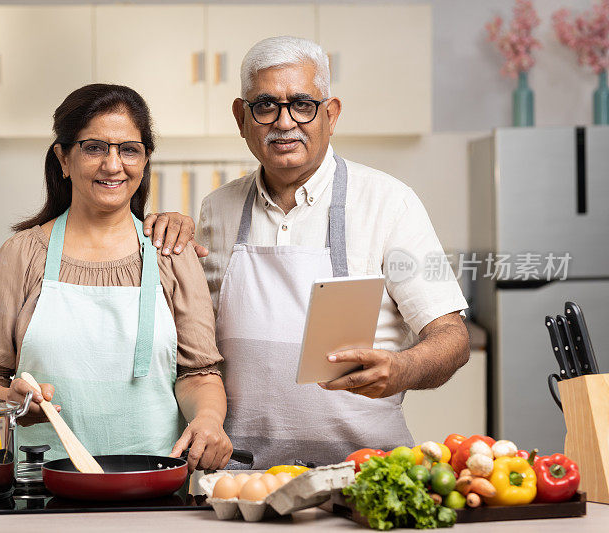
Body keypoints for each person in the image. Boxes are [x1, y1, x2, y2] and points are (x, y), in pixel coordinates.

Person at [144, 36, 470, 467]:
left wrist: (401, 368)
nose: (284, 122)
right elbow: (190, 344)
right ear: (242, 118)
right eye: (265, 106)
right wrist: (166, 241)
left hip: (366, 471)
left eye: (302, 104)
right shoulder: (216, 209)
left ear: (330, 114)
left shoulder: (390, 202)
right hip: (240, 472)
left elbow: (452, 338)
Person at [0, 84, 232, 472]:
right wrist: (11, 400)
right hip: (39, 487)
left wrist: (207, 419)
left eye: (129, 149)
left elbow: (198, 375)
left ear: (144, 160)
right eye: (93, 147)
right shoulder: (21, 254)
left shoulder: (171, 253)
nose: (112, 164)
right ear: (63, 158)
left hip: (153, 480)